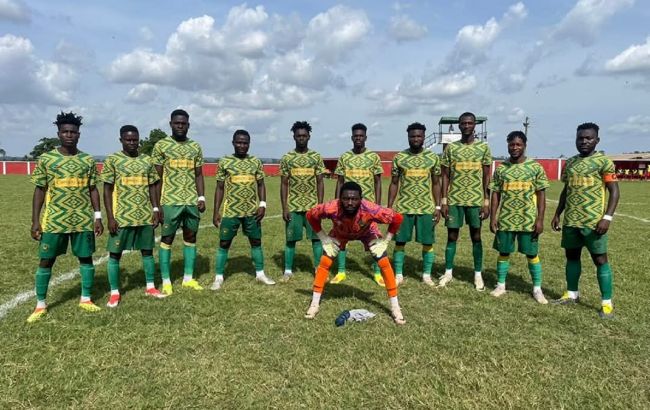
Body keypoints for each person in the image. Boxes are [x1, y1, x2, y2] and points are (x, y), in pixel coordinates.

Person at [27, 112, 104, 322]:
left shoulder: (87, 160)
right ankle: (40, 304)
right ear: (58, 134)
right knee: (46, 260)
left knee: (86, 258)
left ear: (79, 134)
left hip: (82, 219)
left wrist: (98, 216)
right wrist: (35, 221)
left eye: (73, 132)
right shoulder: (47, 159)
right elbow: (40, 190)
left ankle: (86, 299)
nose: (69, 135)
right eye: (65, 131)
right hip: (55, 220)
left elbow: (93, 189)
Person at [304, 182, 406, 324]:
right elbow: (310, 215)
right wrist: (324, 239)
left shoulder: (370, 209)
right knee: (325, 261)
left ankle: (395, 307)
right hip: (341, 233)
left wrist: (385, 241)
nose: (350, 203)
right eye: (346, 199)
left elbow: (398, 218)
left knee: (384, 262)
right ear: (340, 198)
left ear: (361, 199)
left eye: (354, 199)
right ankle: (314, 304)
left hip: (367, 233)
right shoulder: (331, 207)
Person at [551, 122, 620, 318]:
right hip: (571, 221)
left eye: (588, 138)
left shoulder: (604, 162)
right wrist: (558, 213)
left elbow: (615, 192)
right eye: (580, 138)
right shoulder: (570, 163)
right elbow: (566, 190)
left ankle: (606, 303)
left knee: (600, 259)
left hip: (594, 222)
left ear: (597, 140)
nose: (584, 141)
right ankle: (572, 294)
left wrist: (607, 218)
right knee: (572, 257)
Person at [102, 125, 167, 308]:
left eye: (135, 140)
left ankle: (150, 287)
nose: (132, 143)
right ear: (121, 140)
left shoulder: (147, 160)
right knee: (115, 254)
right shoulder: (113, 160)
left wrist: (156, 208)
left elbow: (153, 185)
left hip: (144, 215)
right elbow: (107, 190)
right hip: (121, 216)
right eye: (128, 139)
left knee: (147, 251)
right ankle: (115, 292)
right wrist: (110, 217)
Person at [488, 131, 549, 304]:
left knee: (532, 254)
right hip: (506, 219)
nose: (514, 147)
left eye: (518, 144)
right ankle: (501, 285)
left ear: (524, 146)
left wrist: (540, 219)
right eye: (511, 144)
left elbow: (541, 195)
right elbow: (495, 194)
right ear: (508, 145)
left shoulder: (535, 167)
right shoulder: (501, 168)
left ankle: (537, 289)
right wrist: (493, 217)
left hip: (527, 219)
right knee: (504, 252)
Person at [212, 129, 275, 289]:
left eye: (245, 143)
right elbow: (219, 188)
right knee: (224, 242)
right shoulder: (224, 162)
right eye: (239, 142)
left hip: (251, 211)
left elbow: (261, 184)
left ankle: (260, 273)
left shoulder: (255, 162)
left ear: (249, 144)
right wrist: (216, 211)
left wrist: (262, 204)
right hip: (231, 211)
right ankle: (218, 277)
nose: (242, 145)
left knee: (256, 241)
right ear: (233, 143)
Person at [152, 109, 206, 294]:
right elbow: (156, 178)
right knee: (167, 238)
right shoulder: (161, 146)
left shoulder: (195, 147)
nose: (180, 126)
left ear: (188, 125)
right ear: (171, 124)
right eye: (177, 123)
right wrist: (157, 206)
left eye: (183, 123)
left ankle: (188, 278)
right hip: (169, 201)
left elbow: (198, 174)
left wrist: (201, 196)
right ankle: (166, 280)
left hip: (191, 201)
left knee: (190, 237)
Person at [439, 112, 492, 290]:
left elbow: (487, 176)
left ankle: (477, 274)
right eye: (463, 123)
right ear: (459, 125)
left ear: (474, 125)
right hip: (454, 199)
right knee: (452, 236)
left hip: (475, 200)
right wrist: (444, 201)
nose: (466, 126)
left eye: (469, 123)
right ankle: (448, 272)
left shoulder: (483, 148)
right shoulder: (451, 148)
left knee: (476, 236)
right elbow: (445, 176)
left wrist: (486, 201)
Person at [387, 122, 441, 286]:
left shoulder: (432, 158)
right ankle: (398, 274)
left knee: (427, 242)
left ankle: (426, 275)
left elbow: (436, 183)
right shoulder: (399, 157)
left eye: (419, 136)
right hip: (404, 207)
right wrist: (389, 207)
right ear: (408, 137)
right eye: (412, 136)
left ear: (424, 137)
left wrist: (438, 206)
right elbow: (394, 183)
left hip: (426, 207)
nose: (416, 139)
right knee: (400, 241)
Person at [332, 123, 385, 286]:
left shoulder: (373, 157)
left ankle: (377, 273)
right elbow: (340, 182)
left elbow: (378, 182)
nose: (358, 138)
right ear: (352, 137)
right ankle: (341, 272)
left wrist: (377, 205)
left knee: (374, 239)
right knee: (341, 237)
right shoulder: (345, 157)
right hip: (347, 206)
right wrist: (336, 204)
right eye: (356, 136)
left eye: (361, 136)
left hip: (368, 207)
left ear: (365, 137)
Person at [279, 121, 327, 281]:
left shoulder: (316, 157)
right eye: (298, 136)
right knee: (290, 239)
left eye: (304, 135)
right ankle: (287, 271)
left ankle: (318, 269)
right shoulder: (287, 158)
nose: (301, 138)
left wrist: (320, 206)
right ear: (294, 137)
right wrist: (285, 207)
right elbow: (284, 183)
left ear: (309, 137)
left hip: (312, 206)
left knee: (316, 239)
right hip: (293, 206)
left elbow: (320, 182)